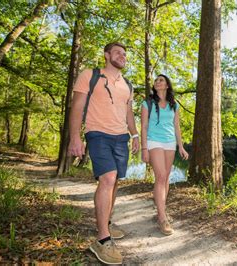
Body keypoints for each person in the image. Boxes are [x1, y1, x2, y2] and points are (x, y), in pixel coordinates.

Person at [68, 42, 139, 264]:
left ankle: (106, 221)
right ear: (106, 55)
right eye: (117, 52)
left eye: (125, 54)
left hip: (121, 138)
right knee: (107, 179)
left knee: (115, 180)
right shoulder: (91, 75)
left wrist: (135, 135)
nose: (122, 56)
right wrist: (75, 137)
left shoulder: (127, 84)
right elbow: (77, 107)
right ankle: (102, 240)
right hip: (98, 134)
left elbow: (128, 113)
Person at [141, 74, 189, 235]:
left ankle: (161, 210)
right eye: (156, 81)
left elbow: (177, 127)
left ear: (167, 85)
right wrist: (144, 148)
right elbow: (144, 127)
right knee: (160, 176)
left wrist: (181, 147)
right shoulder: (147, 103)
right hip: (154, 141)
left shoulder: (174, 105)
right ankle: (162, 217)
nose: (157, 82)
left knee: (166, 177)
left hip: (170, 143)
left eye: (161, 80)